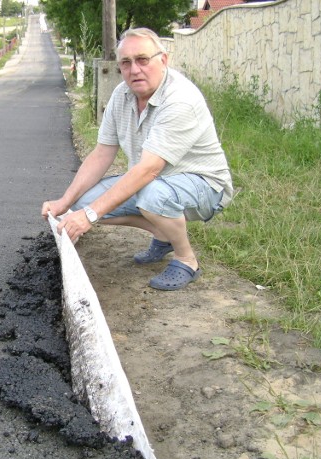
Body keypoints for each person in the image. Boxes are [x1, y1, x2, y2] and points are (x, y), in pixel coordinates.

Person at [41, 28, 233, 291]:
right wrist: (66, 202)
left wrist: (89, 217)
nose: (135, 70)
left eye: (143, 59)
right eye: (126, 62)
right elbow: (102, 153)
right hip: (155, 183)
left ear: (163, 60)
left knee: (148, 197)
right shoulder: (122, 95)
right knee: (84, 202)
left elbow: (148, 170)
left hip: (205, 187)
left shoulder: (180, 100)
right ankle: (163, 233)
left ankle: (186, 259)